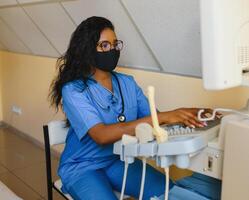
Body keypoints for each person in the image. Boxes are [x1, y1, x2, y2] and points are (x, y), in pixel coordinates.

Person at [49, 16, 209, 200]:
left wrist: (188, 117)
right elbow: (101, 135)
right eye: (104, 45)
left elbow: (156, 120)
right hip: (82, 167)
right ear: (86, 50)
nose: (113, 50)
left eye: (115, 44)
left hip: (118, 160)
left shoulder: (127, 83)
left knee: (169, 193)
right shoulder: (74, 90)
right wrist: (165, 116)